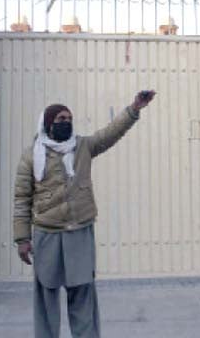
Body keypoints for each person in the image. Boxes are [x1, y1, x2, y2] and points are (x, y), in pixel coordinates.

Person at [13, 90, 156, 338]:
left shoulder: (83, 147)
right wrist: (22, 239)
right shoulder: (31, 156)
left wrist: (134, 109)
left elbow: (110, 133)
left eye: (69, 119)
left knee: (83, 295)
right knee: (46, 295)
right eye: (60, 120)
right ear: (48, 124)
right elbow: (22, 199)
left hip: (79, 233)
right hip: (47, 234)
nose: (66, 123)